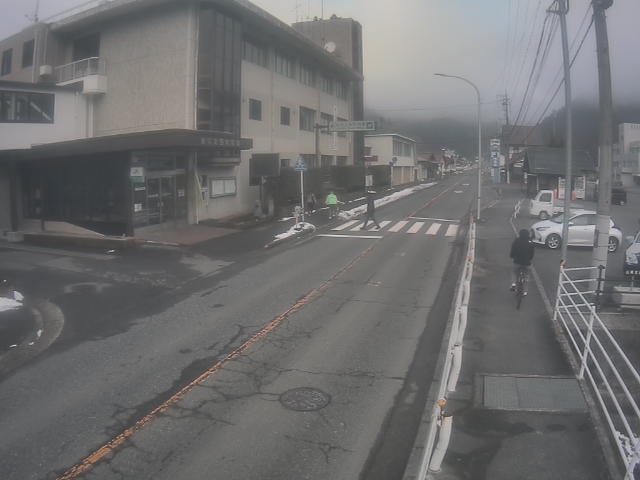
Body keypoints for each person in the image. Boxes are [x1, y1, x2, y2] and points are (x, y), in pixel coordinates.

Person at [510, 229, 535, 295]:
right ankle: (525, 291)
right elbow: (532, 253)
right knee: (527, 276)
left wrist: (512, 256)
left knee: (514, 272)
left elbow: (512, 250)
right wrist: (529, 259)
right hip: (527, 262)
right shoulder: (530, 242)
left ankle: (513, 284)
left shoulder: (517, 241)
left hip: (517, 261)